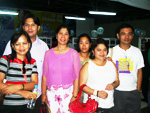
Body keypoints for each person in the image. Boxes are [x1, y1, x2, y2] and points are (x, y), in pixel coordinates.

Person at [3, 13, 49, 113]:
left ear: (38, 27)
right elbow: (4, 70)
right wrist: (14, 90)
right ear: (23, 27)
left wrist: (44, 93)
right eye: (27, 25)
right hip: (12, 95)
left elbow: (46, 72)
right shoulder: (11, 44)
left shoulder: (44, 47)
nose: (30, 28)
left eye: (33, 25)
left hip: (36, 94)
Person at [41, 25, 81, 113]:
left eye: (66, 34)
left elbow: (77, 77)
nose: (63, 36)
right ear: (56, 35)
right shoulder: (48, 54)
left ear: (69, 37)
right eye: (61, 33)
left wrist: (74, 96)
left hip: (68, 94)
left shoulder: (74, 54)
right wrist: (43, 94)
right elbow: (44, 75)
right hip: (52, 94)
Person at [109, 23, 144, 113]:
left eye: (130, 34)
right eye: (123, 33)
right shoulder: (111, 51)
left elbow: (139, 71)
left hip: (133, 92)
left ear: (133, 35)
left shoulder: (137, 51)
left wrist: (138, 89)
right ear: (118, 35)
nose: (127, 36)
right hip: (116, 91)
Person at [0, 30, 38, 113]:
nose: (21, 47)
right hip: (8, 106)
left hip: (27, 106)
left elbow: (34, 83)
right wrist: (21, 92)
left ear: (29, 44)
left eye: (24, 43)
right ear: (13, 46)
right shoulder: (5, 60)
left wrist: (18, 86)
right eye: (17, 44)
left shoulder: (32, 62)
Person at [79, 38, 119, 113]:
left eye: (104, 50)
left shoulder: (112, 64)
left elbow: (117, 81)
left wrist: (113, 85)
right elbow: (82, 85)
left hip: (109, 104)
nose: (102, 52)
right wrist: (96, 93)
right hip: (92, 106)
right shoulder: (88, 65)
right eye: (99, 50)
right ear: (93, 51)